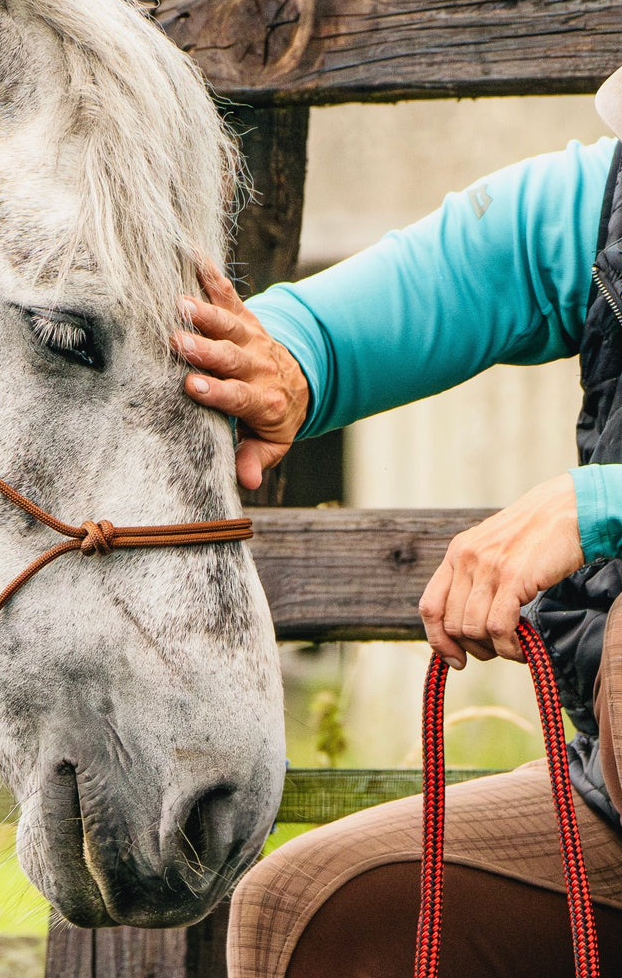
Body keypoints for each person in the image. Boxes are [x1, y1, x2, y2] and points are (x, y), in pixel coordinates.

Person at [174, 74, 622, 976]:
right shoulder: (607, 208)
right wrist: (284, 362)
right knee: (315, 914)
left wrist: (600, 502)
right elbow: (459, 269)